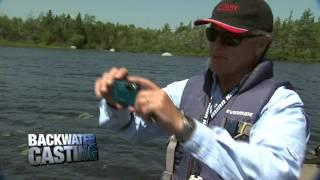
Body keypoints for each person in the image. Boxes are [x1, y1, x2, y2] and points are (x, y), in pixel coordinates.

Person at [94, 0, 309, 179]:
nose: (217, 45)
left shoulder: (281, 104)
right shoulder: (185, 90)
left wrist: (184, 127)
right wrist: (116, 103)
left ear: (261, 44)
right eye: (212, 34)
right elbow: (134, 129)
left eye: (230, 38)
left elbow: (277, 173)